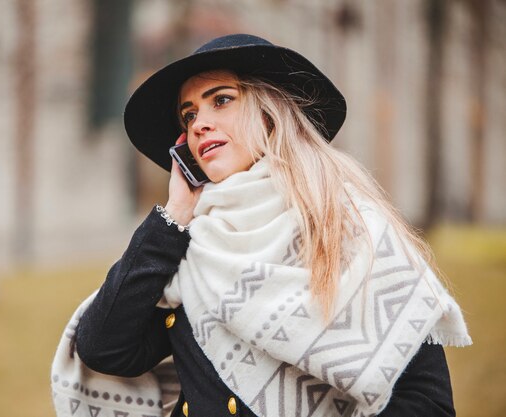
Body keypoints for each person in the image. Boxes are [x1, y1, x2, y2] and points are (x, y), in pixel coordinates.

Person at [51, 34, 471, 417]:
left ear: (270, 115)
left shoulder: (353, 229)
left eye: (221, 100)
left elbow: (426, 403)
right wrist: (175, 212)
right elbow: (103, 347)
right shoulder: (190, 249)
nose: (199, 123)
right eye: (189, 114)